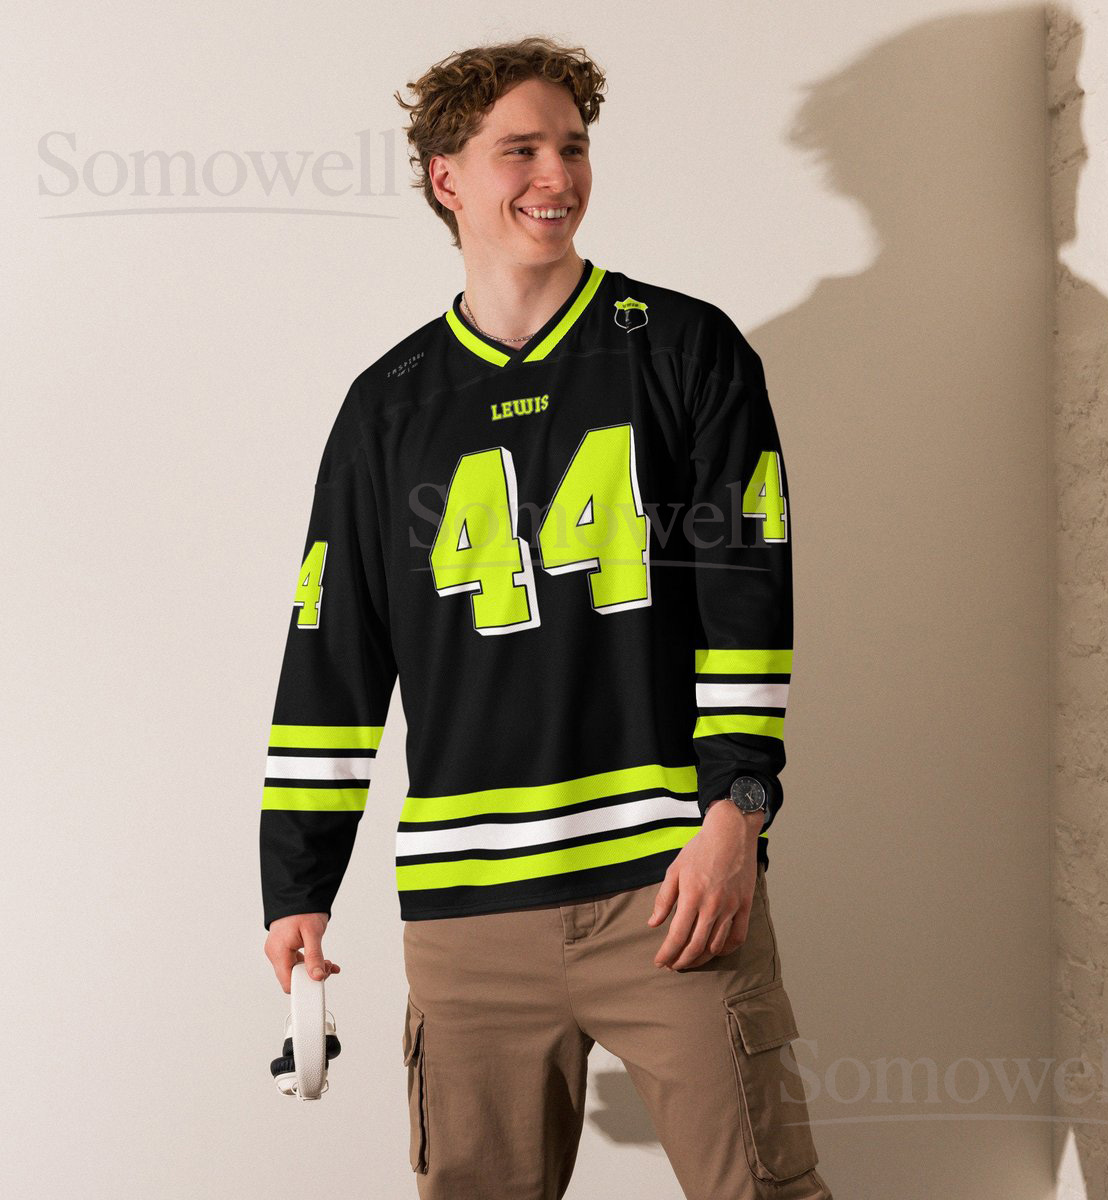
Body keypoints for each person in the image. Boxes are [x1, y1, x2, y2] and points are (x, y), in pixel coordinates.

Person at [259, 34, 833, 1200]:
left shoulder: (686, 349)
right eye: (520, 150)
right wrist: (297, 881)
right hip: (468, 919)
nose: (557, 176)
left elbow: (748, 598)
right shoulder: (385, 409)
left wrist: (738, 810)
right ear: (447, 178)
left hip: (670, 885)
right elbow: (334, 655)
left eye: (573, 147)